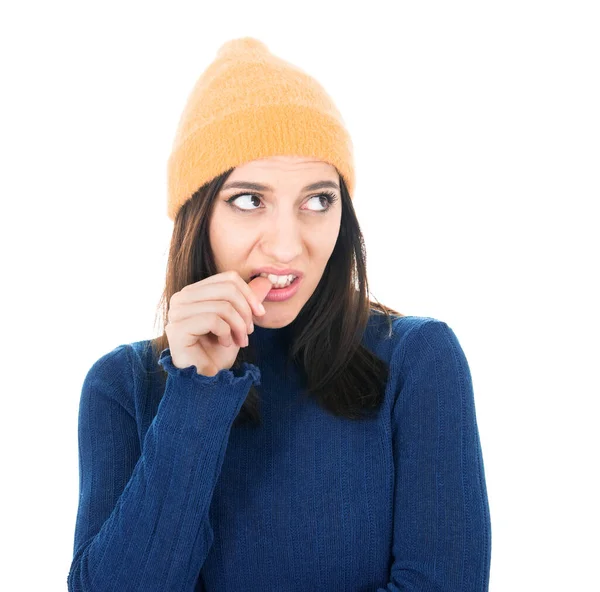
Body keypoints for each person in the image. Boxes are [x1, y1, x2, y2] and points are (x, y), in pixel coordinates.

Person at [67, 37, 491, 591]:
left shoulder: (416, 362)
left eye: (318, 200)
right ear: (198, 215)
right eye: (249, 200)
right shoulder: (123, 388)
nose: (289, 247)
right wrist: (197, 391)